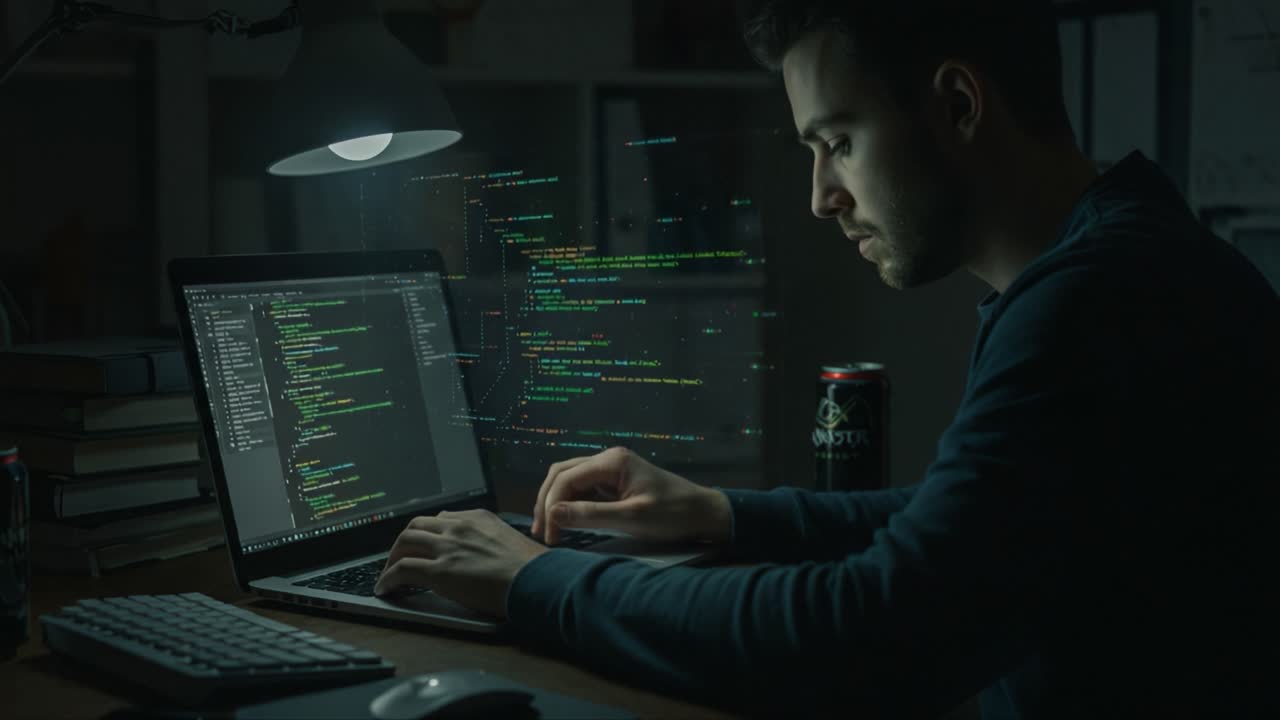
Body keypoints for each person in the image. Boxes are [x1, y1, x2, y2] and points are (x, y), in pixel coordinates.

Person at [374, 1, 1280, 717]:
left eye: (838, 142)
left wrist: (539, 582)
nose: (821, 197)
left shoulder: (1098, 302)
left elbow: (873, 638)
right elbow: (971, 527)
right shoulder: (1133, 259)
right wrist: (723, 515)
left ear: (958, 105)